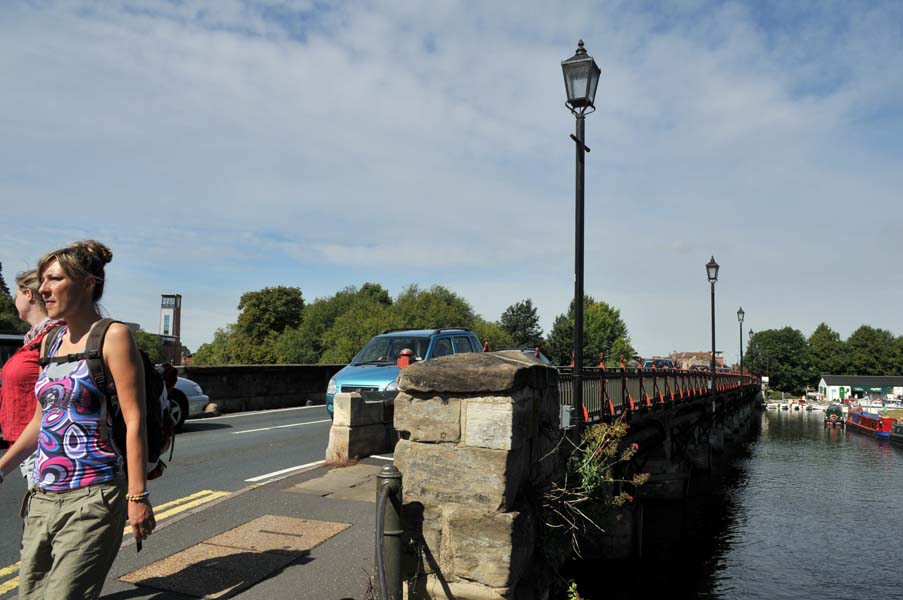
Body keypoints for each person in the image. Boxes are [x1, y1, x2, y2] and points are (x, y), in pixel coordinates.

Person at [0, 240, 156, 600]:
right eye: (42, 280)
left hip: (92, 496)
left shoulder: (112, 336)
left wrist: (137, 495)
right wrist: (3, 467)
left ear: (87, 283)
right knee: (30, 595)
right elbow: (41, 421)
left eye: (54, 279)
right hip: (41, 497)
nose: (43, 289)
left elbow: (135, 420)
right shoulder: (50, 341)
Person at [0, 269, 63, 489]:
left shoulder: (54, 337)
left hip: (42, 447)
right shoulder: (35, 338)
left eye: (16, 295)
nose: (14, 301)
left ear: (28, 294)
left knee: (40, 520)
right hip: (26, 447)